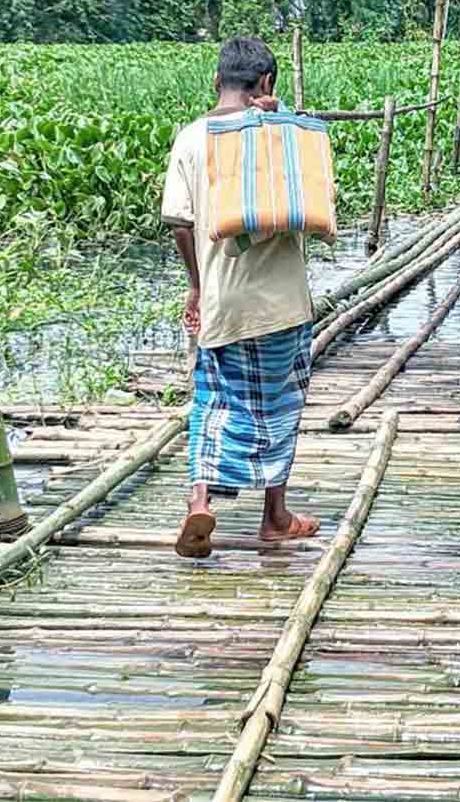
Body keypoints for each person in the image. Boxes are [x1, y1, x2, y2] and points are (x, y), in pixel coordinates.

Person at [161, 37, 321, 559]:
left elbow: (180, 223)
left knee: (212, 403)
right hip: (283, 304)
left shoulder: (190, 138)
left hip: (222, 304)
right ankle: (274, 516)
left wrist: (197, 286)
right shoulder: (284, 132)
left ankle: (198, 502)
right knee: (280, 406)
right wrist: (281, 118)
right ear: (267, 85)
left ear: (217, 82)